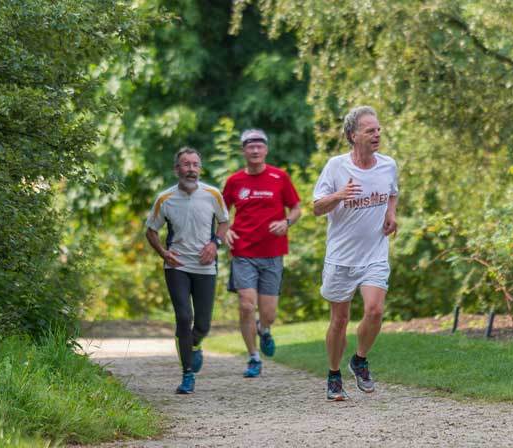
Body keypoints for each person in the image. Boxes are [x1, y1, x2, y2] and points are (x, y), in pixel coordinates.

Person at [312, 106, 398, 401]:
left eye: (378, 129)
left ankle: (359, 360)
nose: (377, 134)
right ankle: (334, 375)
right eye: (370, 130)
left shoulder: (387, 165)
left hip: (375, 253)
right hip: (341, 257)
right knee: (340, 319)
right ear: (353, 135)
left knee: (375, 310)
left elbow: (392, 192)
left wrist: (391, 214)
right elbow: (316, 208)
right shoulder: (336, 167)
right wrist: (338, 196)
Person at [146, 147, 229, 394]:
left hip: (205, 266)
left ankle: (192, 345)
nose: (191, 169)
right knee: (184, 317)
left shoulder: (212, 194)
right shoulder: (165, 198)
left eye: (195, 164)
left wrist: (215, 244)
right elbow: (151, 230)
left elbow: (224, 222)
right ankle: (188, 374)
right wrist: (164, 253)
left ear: (200, 169)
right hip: (177, 266)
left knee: (202, 324)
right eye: (185, 164)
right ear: (177, 169)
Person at [222, 129, 301, 378]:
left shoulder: (280, 177)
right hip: (243, 252)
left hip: (272, 253)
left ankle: (264, 329)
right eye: (250, 146)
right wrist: (223, 233)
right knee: (246, 305)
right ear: (243, 151)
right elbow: (221, 213)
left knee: (269, 314)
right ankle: (253, 357)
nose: (255, 150)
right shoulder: (234, 181)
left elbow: (297, 207)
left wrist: (286, 223)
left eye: (259, 146)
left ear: (266, 150)